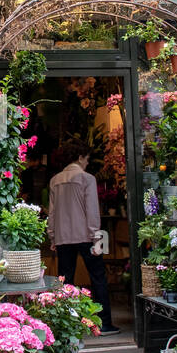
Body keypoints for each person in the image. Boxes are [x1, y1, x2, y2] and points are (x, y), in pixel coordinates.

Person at [47, 143, 116, 333]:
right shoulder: (88, 179)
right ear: (80, 157)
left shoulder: (55, 180)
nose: (87, 163)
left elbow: (51, 213)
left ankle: (65, 325)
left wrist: (52, 236)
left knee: (65, 281)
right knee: (98, 277)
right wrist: (97, 237)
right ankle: (104, 323)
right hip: (86, 235)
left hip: (62, 237)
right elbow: (92, 211)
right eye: (86, 159)